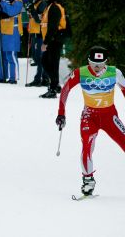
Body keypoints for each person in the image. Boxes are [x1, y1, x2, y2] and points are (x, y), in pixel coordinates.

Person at [56, 46, 125, 196]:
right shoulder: (81, 73)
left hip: (110, 117)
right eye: (94, 63)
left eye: (100, 63)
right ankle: (88, 181)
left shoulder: (115, 73)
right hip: (89, 116)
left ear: (106, 62)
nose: (97, 67)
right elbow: (65, 90)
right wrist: (61, 114)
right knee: (87, 146)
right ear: (88, 61)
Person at [39, 0, 67, 98]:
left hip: (54, 39)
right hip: (52, 39)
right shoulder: (49, 6)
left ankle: (53, 88)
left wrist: (46, 42)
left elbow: (52, 27)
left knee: (51, 63)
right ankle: (56, 85)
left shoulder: (54, 6)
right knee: (46, 62)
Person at [25, 0, 49, 87]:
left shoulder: (42, 3)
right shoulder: (34, 2)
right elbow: (32, 16)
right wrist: (29, 9)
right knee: (36, 56)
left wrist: (32, 10)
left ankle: (39, 78)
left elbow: (39, 19)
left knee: (39, 57)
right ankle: (44, 78)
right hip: (34, 32)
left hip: (40, 33)